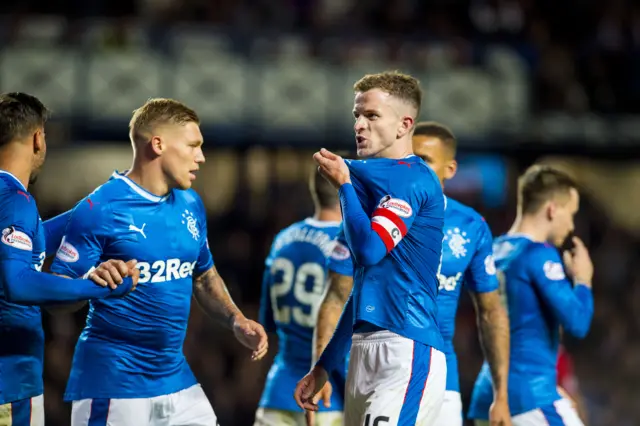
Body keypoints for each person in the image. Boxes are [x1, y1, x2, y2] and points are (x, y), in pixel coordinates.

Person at [49, 98, 269, 426]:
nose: (201, 156)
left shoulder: (191, 204)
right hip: (113, 383)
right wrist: (93, 280)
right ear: (158, 144)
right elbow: (55, 296)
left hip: (175, 380)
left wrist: (236, 320)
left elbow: (204, 276)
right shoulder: (101, 208)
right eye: (193, 145)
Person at [310, 121, 511, 426]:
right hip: (380, 367)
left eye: (426, 160)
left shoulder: (472, 226)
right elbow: (338, 296)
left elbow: (491, 311)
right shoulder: (370, 216)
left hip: (441, 376)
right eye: (411, 157)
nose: (415, 166)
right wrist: (321, 367)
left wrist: (502, 394)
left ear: (450, 169)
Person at [294, 71, 447, 425]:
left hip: (406, 346)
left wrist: (345, 186)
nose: (359, 126)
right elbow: (361, 293)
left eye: (372, 116)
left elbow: (369, 252)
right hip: (364, 351)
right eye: (356, 116)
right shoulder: (372, 194)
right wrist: (324, 368)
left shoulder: (412, 179)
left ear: (403, 124)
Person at [0, 92, 138, 426]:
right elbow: (17, 282)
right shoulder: (15, 199)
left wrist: (93, 207)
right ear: (37, 138)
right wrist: (97, 288)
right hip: (8, 386)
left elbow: (30, 245)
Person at [468, 165, 594, 425]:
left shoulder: (494, 249)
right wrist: (583, 280)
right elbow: (577, 322)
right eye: (570, 214)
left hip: (488, 395)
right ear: (552, 209)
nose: (571, 225)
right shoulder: (538, 254)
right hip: (528, 395)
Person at [255, 167, 345, 426]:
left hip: (279, 390)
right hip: (330, 396)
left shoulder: (283, 239)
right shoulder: (347, 243)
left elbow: (268, 321)